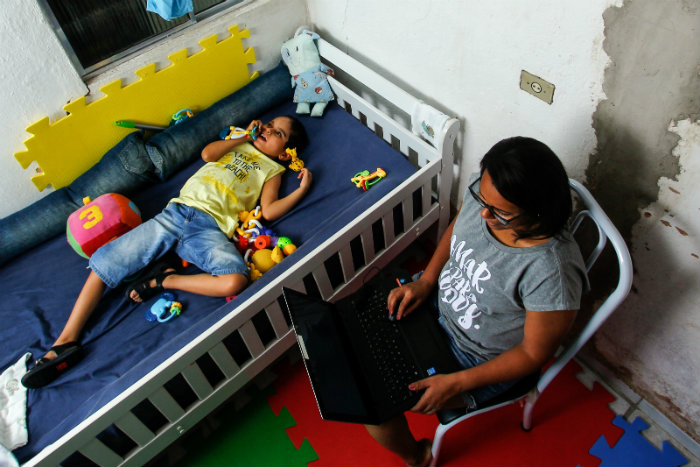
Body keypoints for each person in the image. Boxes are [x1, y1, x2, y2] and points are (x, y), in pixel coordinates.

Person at [21, 116, 311, 389]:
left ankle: (164, 280)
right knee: (103, 263)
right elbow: (208, 155)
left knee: (235, 279)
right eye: (270, 125)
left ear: (285, 153)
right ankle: (65, 341)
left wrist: (302, 189)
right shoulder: (239, 140)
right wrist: (243, 136)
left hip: (208, 230)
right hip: (174, 215)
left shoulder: (272, 170)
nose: (269, 131)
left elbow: (270, 210)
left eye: (279, 134)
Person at [366, 137, 588, 467]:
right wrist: (427, 280)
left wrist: (457, 382)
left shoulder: (550, 271)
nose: (484, 212)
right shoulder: (485, 197)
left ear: (538, 212)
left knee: (373, 404)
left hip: (474, 359)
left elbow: (532, 353)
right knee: (356, 336)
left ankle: (418, 458)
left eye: (500, 212)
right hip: (434, 307)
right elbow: (459, 229)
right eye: (481, 199)